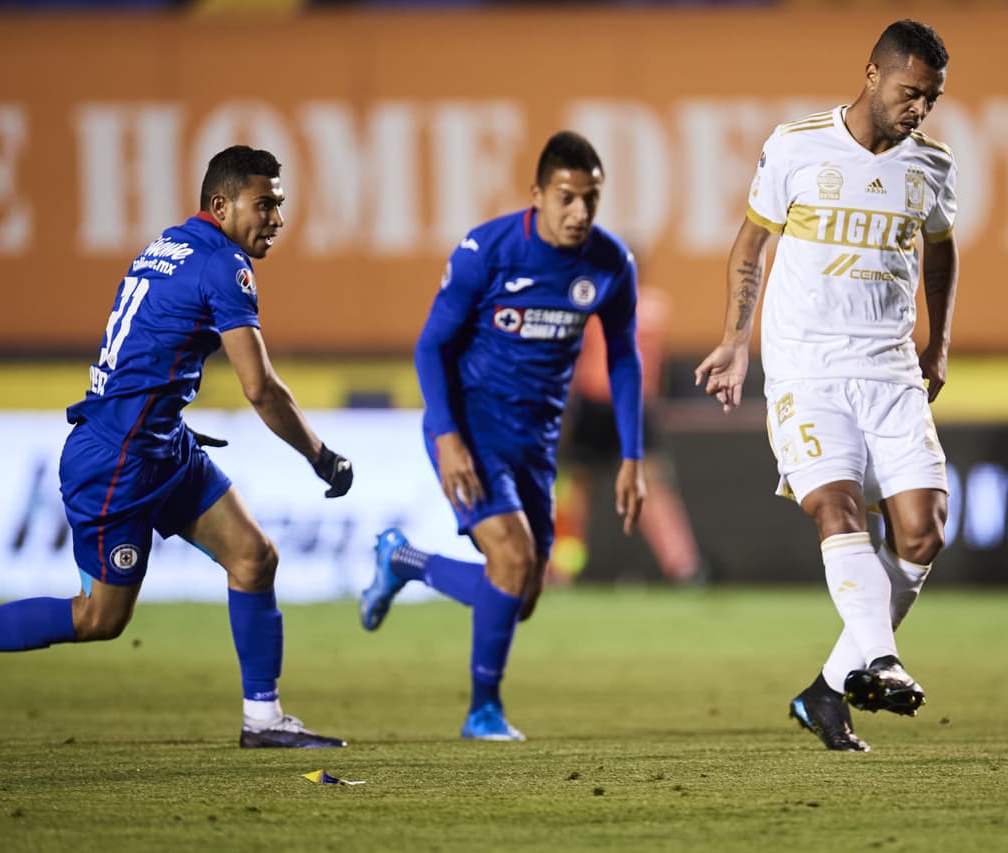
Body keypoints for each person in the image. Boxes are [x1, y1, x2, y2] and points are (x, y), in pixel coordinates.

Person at [0, 145, 354, 749]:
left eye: (280, 205)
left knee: (253, 556)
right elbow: (260, 388)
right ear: (222, 203)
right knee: (100, 618)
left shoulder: (167, 245)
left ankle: (262, 720)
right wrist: (321, 454)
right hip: (119, 461)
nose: (277, 219)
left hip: (157, 444)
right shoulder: (225, 266)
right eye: (264, 204)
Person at [695, 19, 958, 752]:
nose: (919, 110)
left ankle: (825, 691)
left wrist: (936, 344)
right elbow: (749, 251)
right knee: (837, 506)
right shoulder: (796, 146)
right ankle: (878, 660)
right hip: (807, 370)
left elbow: (942, 255)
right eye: (911, 93)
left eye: (931, 99)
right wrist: (734, 343)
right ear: (872, 76)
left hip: (891, 372)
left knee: (924, 528)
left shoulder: (933, 166)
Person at [358, 130, 646, 741]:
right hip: (472, 427)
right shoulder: (486, 251)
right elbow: (431, 345)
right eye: (566, 197)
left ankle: (403, 561)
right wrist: (447, 436)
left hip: (537, 443)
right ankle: (481, 711)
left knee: (524, 592)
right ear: (536, 194)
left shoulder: (611, 263)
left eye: (591, 199)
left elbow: (623, 358)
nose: (579, 212)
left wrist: (632, 454)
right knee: (510, 562)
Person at [552, 284, 703, 585]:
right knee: (652, 488)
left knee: (578, 491)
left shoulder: (590, 302)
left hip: (597, 402)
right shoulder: (655, 306)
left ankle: (561, 569)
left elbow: (574, 357)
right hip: (635, 405)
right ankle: (684, 566)